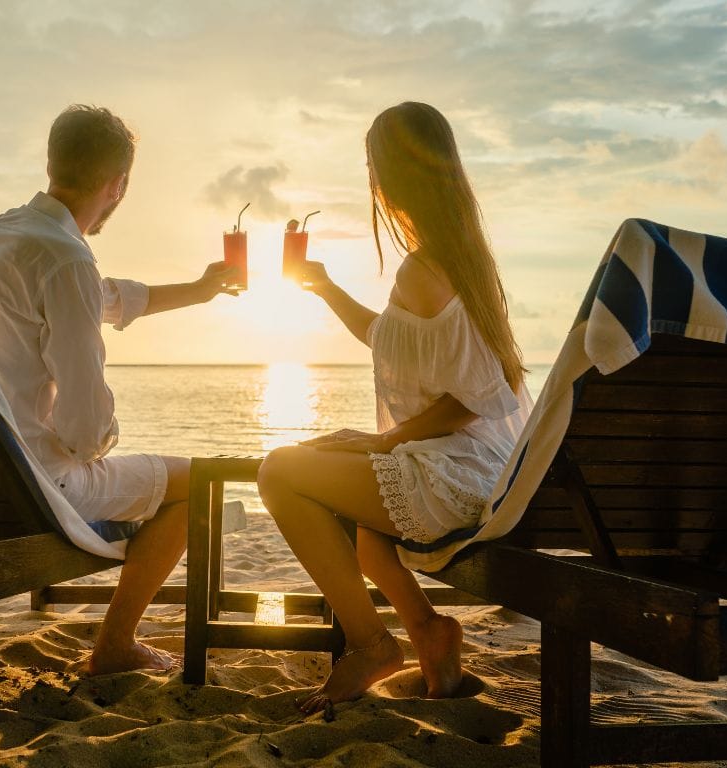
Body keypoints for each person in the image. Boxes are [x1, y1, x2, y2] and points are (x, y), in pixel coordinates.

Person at [257, 102, 532, 712]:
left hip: (464, 473)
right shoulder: (459, 259)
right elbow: (391, 338)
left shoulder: (425, 267)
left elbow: (475, 398)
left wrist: (388, 440)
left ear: (386, 177)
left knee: (279, 472)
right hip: (484, 462)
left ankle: (372, 644)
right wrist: (326, 288)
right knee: (353, 510)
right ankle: (429, 632)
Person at [0, 104, 237, 676]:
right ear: (118, 185)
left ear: (54, 162)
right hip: (43, 483)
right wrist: (107, 436)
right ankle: (115, 646)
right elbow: (83, 433)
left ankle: (117, 642)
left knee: (168, 476)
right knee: (201, 484)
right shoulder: (64, 259)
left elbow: (107, 297)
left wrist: (200, 291)